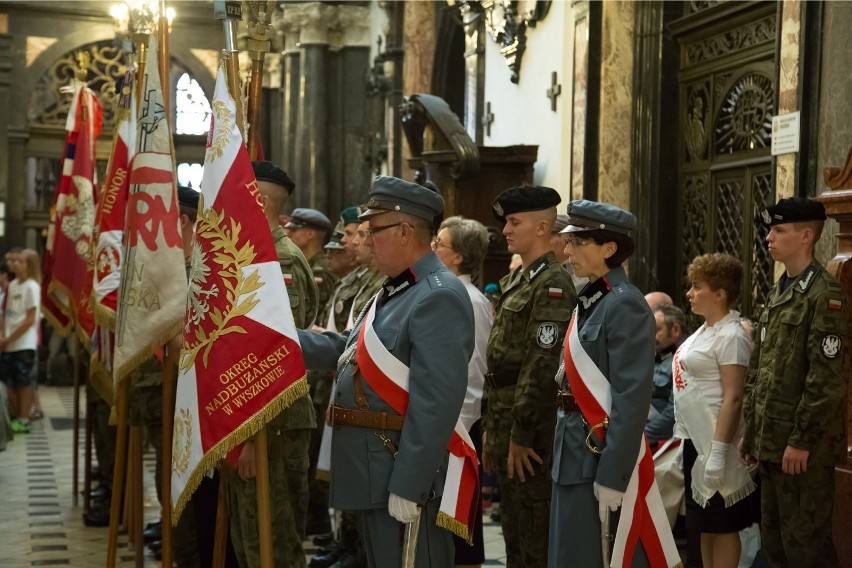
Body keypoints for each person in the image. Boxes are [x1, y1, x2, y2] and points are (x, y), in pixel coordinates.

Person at [297, 176, 475, 567]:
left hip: (401, 472)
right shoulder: (396, 291)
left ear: (405, 230)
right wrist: (280, 340)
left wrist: (410, 485)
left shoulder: (438, 295)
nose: (366, 239)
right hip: (374, 468)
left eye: (373, 229)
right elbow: (348, 349)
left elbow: (436, 403)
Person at [550, 200, 679, 567]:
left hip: (597, 453)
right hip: (571, 448)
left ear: (608, 249)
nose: (568, 249)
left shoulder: (624, 304)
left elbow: (631, 397)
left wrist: (613, 471)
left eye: (578, 242)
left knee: (592, 556)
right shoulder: (591, 300)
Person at [740, 197, 848, 567]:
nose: (769, 237)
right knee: (775, 545)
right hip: (771, 443)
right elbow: (761, 367)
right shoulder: (780, 290)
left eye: (779, 230)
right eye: (770, 229)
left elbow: (826, 379)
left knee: (807, 549)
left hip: (802, 449)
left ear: (806, 236)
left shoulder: (824, 295)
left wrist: (802, 439)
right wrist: (753, 432)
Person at [227, 161, 318, 568]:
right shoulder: (251, 254)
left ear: (258, 199)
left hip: (273, 426)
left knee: (273, 546)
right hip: (248, 420)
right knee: (249, 542)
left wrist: (253, 436)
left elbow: (274, 357)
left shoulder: (279, 262)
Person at [484, 185, 576, 568]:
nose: (506, 230)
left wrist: (520, 434)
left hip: (531, 431)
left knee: (534, 536)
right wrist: (496, 426)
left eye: (514, 222)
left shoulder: (551, 285)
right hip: (507, 418)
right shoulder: (520, 279)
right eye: (506, 221)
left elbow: (540, 368)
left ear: (542, 227)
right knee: (513, 530)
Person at [674, 253, 758, 568]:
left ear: (719, 294)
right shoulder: (707, 330)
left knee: (722, 525)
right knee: (704, 526)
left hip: (717, 438)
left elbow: (734, 396)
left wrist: (720, 451)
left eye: (697, 287)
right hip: (697, 438)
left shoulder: (731, 334)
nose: (689, 293)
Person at [432, 215, 493, 568]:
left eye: (439, 243)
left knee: (461, 523)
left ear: (458, 257)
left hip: (458, 429)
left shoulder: (471, 300)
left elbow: (475, 370)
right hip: (440, 424)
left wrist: (458, 430)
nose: (432, 248)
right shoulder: (443, 293)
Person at [286, 207, 340, 535]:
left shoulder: (319, 269)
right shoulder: (309, 265)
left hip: (321, 366)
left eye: (295, 229)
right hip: (316, 361)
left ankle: (317, 513)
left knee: (316, 447)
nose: (290, 233)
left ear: (308, 234)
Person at [0, 248, 41, 435]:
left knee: (23, 381)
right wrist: (3, 335)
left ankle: (24, 418)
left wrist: (9, 338)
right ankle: (16, 415)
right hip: (8, 342)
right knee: (10, 382)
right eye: (14, 261)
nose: (15, 264)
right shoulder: (13, 285)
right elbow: (4, 313)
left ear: (28, 265)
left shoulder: (32, 287)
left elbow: (30, 319)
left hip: (24, 342)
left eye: (20, 261)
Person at [646, 303, 687, 448]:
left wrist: (641, 436)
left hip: (660, 441)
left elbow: (673, 414)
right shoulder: (650, 355)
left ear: (675, 330)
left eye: (656, 330)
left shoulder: (682, 360)